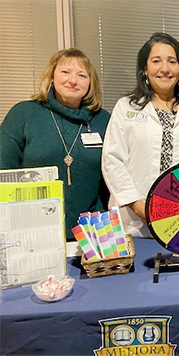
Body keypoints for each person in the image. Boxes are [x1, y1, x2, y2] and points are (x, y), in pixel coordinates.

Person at [102, 32, 179, 237]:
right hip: (133, 224)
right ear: (145, 69)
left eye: (172, 61)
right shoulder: (126, 108)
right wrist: (141, 208)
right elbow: (112, 160)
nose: (164, 69)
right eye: (156, 61)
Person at [0, 48, 110, 241]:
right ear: (52, 76)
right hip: (33, 232)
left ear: (90, 83)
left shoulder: (103, 120)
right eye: (65, 72)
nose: (73, 80)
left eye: (82, 75)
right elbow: (4, 172)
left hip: (93, 235)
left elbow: (112, 176)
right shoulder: (24, 114)